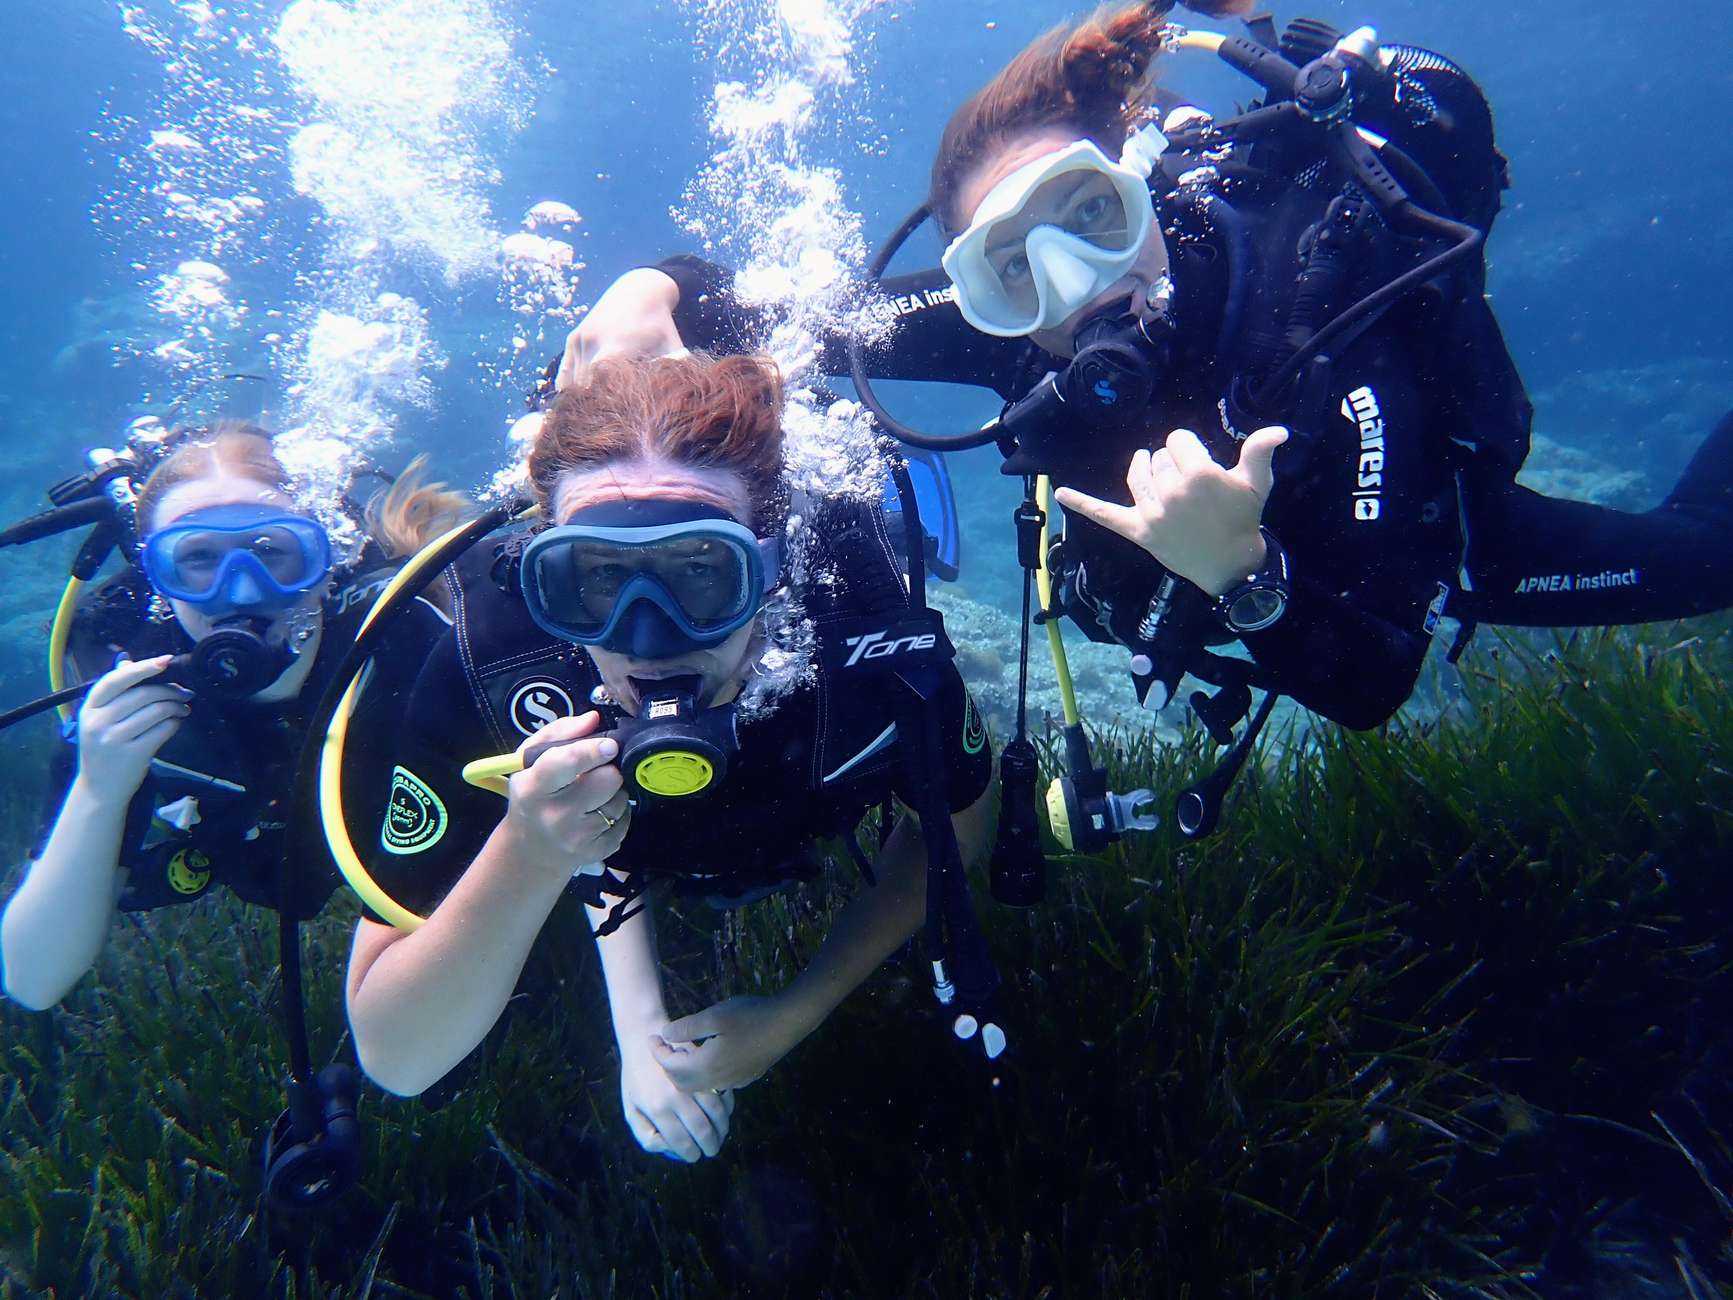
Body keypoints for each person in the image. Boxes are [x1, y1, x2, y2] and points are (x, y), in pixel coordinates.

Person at [554, 2, 1733, 732]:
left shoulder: (1306, 308)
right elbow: (775, 310)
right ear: (976, 290)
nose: (1069, 286)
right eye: (1009, 267)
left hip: (1438, 533)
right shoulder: (1006, 330)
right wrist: (643, 288)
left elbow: (1374, 676)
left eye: (1086, 215)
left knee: (1713, 553)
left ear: (1143, 185)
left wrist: (1242, 572)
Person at [341, 353, 996, 1163]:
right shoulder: (500, 663)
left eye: (699, 573)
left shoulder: (857, 631)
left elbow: (959, 827)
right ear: (538, 568)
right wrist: (526, 857)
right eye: (595, 578)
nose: (645, 637)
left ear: (772, 566)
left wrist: (799, 1007)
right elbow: (396, 1057)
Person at [1, 422, 463, 1010]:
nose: (242, 590)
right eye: (196, 558)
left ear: (324, 560)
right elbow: (32, 978)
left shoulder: (407, 640)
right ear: (157, 583)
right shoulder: (132, 702)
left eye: (272, 552)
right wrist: (99, 790)